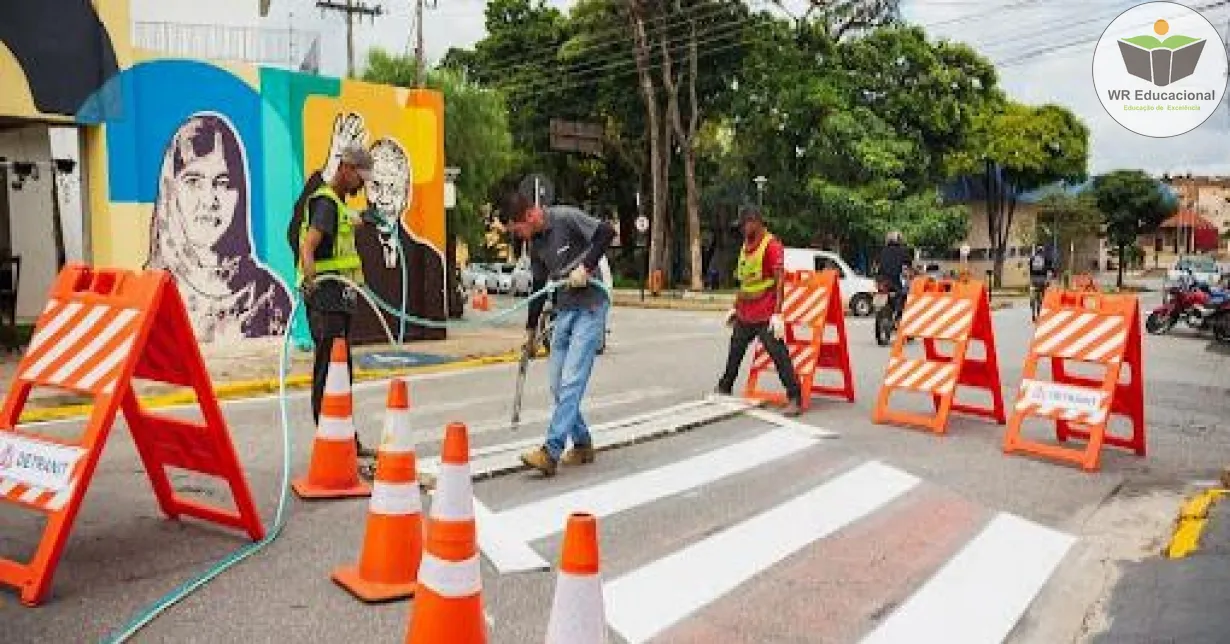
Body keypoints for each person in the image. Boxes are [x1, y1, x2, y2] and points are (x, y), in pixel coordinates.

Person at [499, 191, 616, 477]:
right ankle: (583, 442)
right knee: (556, 384)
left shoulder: (566, 217)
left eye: (519, 230)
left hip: (590, 308)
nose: (521, 237)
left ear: (530, 215)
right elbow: (538, 286)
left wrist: (586, 268)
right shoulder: (536, 244)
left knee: (572, 380)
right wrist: (530, 329)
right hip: (565, 311)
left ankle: (550, 451)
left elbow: (606, 233)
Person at [295, 143, 376, 459]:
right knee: (329, 372)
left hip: (338, 301)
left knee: (340, 374)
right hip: (326, 300)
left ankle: (344, 440)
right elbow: (308, 245)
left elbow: (346, 224)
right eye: (360, 177)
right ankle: (331, 442)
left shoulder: (337, 206)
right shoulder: (326, 204)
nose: (361, 185)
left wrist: (365, 218)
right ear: (346, 168)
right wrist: (312, 283)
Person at [715, 207, 803, 417]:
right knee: (735, 351)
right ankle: (724, 388)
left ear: (755, 221)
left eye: (745, 224)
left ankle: (794, 397)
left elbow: (780, 280)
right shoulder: (745, 246)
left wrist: (778, 313)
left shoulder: (771, 246)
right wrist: (735, 307)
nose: (742, 230)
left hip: (765, 312)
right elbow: (745, 281)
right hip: (745, 312)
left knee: (778, 355)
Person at [876, 230, 913, 319]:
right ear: (899, 240)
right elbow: (909, 264)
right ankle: (899, 315)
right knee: (905, 293)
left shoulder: (882, 251)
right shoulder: (903, 251)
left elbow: (877, 264)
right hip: (895, 280)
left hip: (881, 281)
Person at [1028, 244, 1055, 320]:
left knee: (1033, 292)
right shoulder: (1046, 258)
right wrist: (1052, 275)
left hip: (1033, 279)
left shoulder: (1032, 258)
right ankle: (1040, 308)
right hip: (1043, 280)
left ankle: (1032, 308)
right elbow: (1051, 269)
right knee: (1043, 295)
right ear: (1043, 251)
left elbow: (1030, 268)